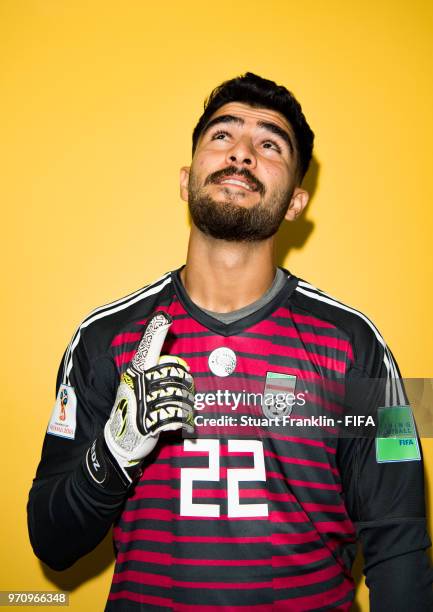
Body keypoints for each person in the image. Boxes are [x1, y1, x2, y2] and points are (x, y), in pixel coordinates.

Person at [28, 73, 433, 611]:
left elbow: (401, 545)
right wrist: (114, 454)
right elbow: (50, 543)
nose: (241, 153)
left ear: (295, 201)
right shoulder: (104, 339)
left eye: (269, 144)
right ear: (184, 178)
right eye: (222, 136)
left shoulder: (357, 346)